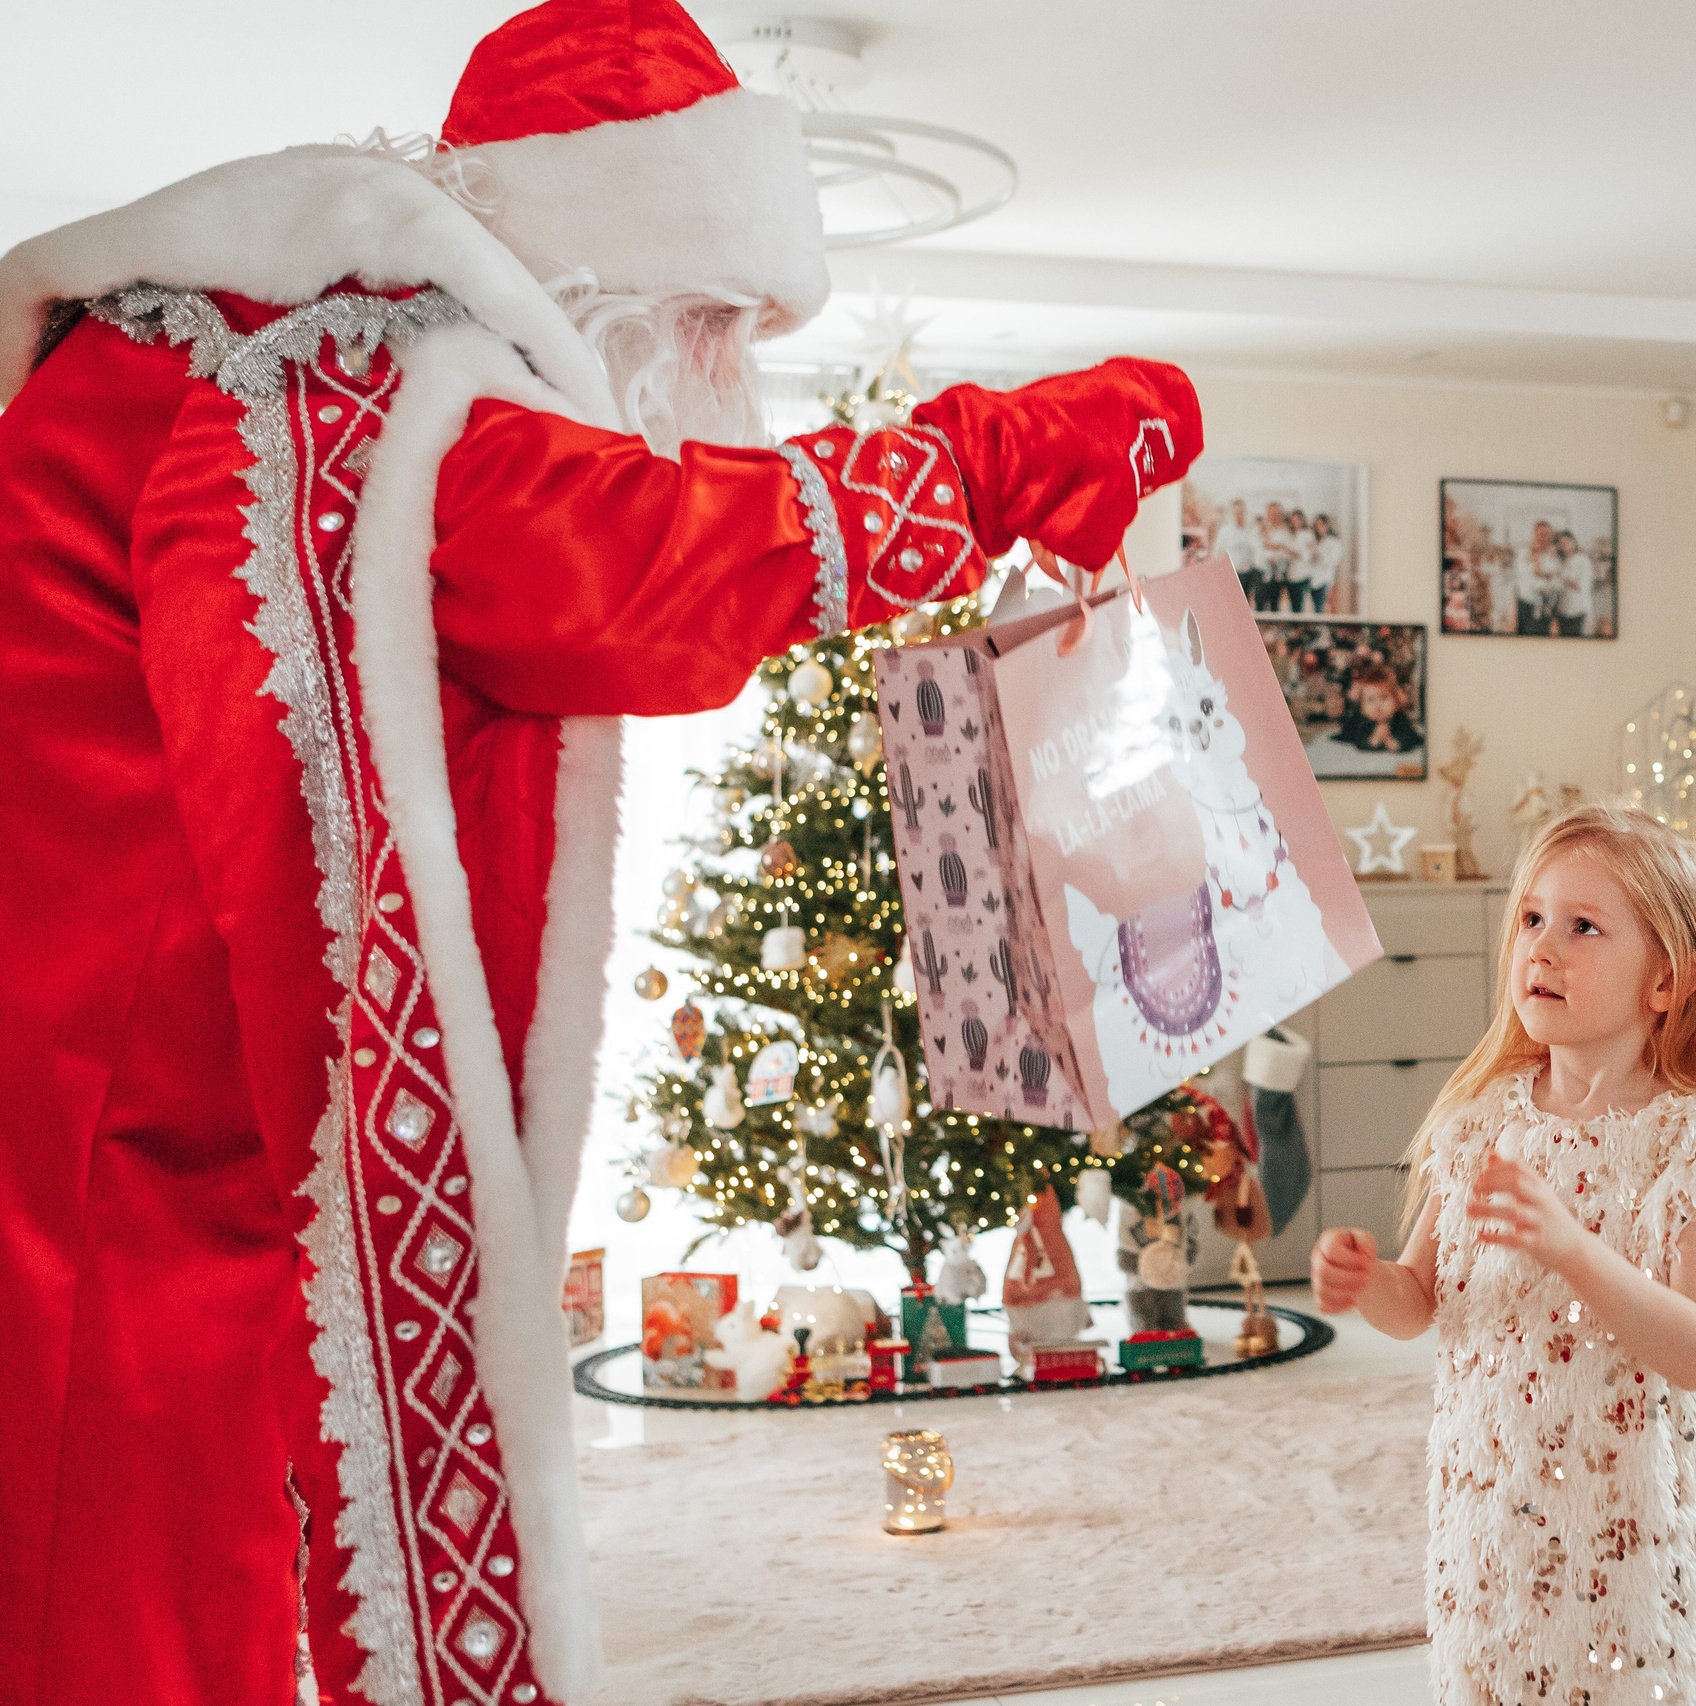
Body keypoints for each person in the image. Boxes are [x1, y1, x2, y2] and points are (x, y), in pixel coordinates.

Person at [0, 4, 1201, 1703]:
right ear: (619, 287)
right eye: (715, 329)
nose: (729, 386)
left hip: (131, 1135)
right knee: (117, 1622)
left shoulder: (231, 348)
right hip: (105, 1199)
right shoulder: (359, 388)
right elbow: (656, 559)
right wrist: (1029, 450)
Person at [1311, 803, 1696, 1705]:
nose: (1542, 948)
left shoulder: (1693, 1142)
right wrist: (1369, 1282)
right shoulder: (1484, 1122)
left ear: (1667, 981)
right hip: (1489, 1533)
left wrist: (1572, 1249)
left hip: (1620, 1542)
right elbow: (1421, 1300)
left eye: (1582, 926)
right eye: (1531, 918)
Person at [1215, 497, 1265, 609]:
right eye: (1236, 512)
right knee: (1233, 606)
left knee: (1247, 606)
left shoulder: (1251, 530)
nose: (1239, 514)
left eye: (1241, 511)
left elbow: (1256, 550)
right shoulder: (1225, 531)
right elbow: (1218, 553)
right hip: (1232, 575)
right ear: (1232, 513)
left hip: (1248, 574)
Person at [1516, 519, 1559, 634]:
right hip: (1524, 603)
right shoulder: (1523, 553)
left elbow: (1554, 579)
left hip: (1542, 606)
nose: (1542, 538)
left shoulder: (1554, 557)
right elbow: (1522, 576)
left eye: (1545, 534)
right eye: (1539, 534)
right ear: (1534, 535)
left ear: (1550, 537)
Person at [1555, 528, 1597, 637]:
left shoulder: (1583, 560)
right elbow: (1558, 587)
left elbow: (1582, 587)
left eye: (1567, 542)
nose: (1565, 545)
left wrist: (1562, 577)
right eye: (1562, 543)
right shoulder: (1562, 562)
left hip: (1578, 611)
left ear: (1574, 541)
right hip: (1563, 611)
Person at [1304, 511, 1347, 613]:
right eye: (1317, 525)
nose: (1319, 528)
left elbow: (1333, 561)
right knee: (1313, 609)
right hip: (1312, 580)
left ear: (1327, 525)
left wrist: (1318, 555)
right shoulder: (1314, 542)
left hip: (1324, 580)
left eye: (1321, 525)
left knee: (1321, 609)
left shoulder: (1334, 542)